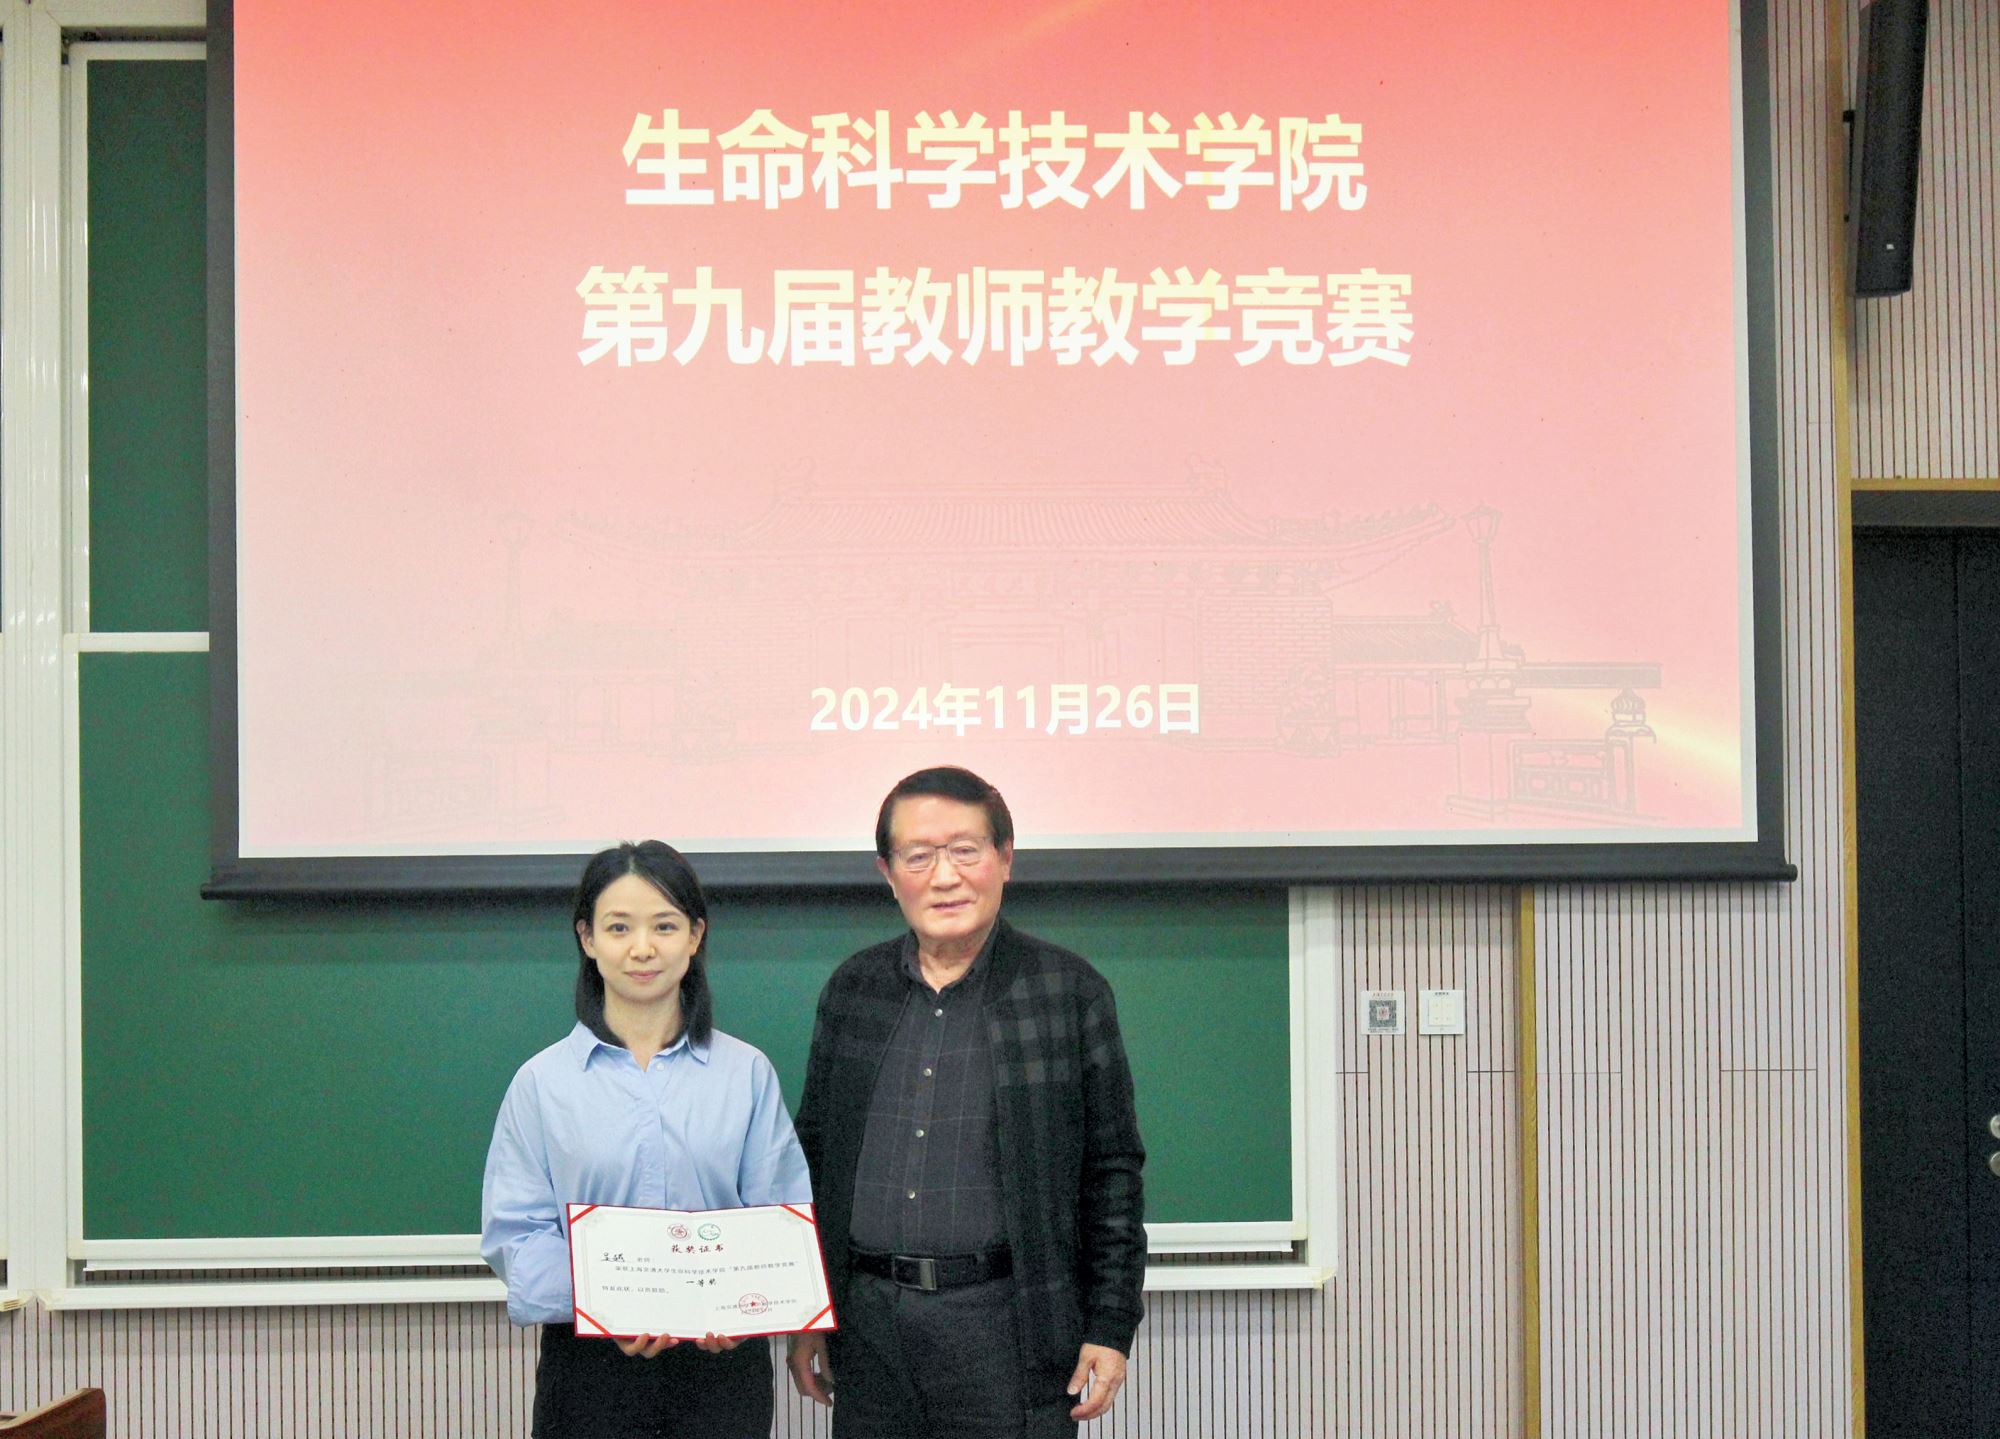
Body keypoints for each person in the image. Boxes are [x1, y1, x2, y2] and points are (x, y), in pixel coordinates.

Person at [787, 766, 1146, 1437]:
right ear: (888, 872)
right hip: (867, 1328)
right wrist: (810, 1312)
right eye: (918, 856)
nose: (944, 876)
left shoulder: (1069, 992)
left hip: (1007, 1327)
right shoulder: (854, 989)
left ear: (1005, 858)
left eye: (964, 850)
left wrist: (1110, 1323)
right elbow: (813, 1155)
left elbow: (1112, 1173)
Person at [482, 841, 812, 1439]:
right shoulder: (542, 1083)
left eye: (664, 925)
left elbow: (781, 1216)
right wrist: (610, 1303)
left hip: (721, 1366)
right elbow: (517, 1234)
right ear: (587, 938)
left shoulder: (746, 1073)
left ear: (695, 935)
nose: (642, 948)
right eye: (618, 927)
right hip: (589, 1368)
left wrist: (746, 1301)